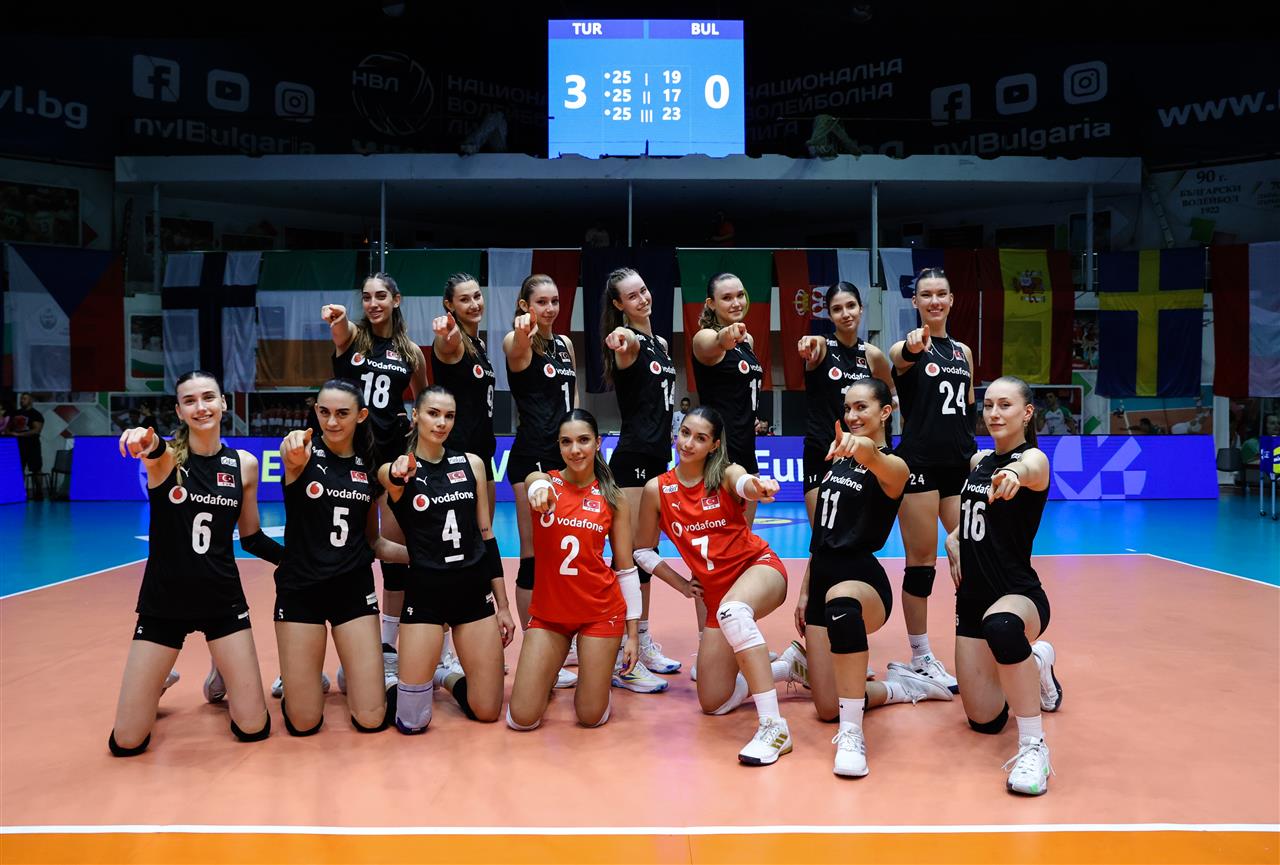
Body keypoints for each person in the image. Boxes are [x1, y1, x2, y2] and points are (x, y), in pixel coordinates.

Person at [109, 371, 276, 755]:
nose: (201, 407)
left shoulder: (244, 465)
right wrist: (142, 436)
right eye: (190, 401)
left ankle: (222, 665)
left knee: (253, 727)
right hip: (164, 601)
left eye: (208, 397)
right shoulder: (167, 460)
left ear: (223, 403)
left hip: (222, 600)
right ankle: (159, 677)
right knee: (127, 742)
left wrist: (293, 561)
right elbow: (152, 446)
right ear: (179, 411)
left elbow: (251, 537)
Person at [793, 379, 952, 778]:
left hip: (861, 581)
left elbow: (876, 459)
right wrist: (806, 589)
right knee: (826, 707)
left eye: (861, 407)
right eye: (847, 408)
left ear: (885, 412)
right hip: (823, 575)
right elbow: (822, 534)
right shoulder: (838, 459)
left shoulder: (894, 467)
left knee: (842, 606)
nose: (851, 415)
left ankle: (852, 735)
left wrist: (859, 446)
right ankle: (903, 687)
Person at [633, 406, 807, 766]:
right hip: (717, 598)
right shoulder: (657, 489)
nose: (688, 443)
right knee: (714, 702)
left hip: (759, 569)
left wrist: (757, 487)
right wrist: (682, 585)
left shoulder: (725, 474)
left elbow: (744, 482)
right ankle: (787, 667)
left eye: (700, 438)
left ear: (714, 445)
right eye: (685, 433)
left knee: (735, 611)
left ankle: (774, 728)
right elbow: (641, 551)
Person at [945, 376, 1063, 795]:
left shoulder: (1034, 460)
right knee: (985, 721)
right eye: (989, 405)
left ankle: (1034, 747)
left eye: (1005, 405)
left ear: (1027, 413)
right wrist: (953, 537)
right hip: (971, 599)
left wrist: (1013, 472)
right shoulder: (979, 462)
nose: (994, 413)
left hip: (1017, 593)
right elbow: (974, 516)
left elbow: (1028, 470)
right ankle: (1036, 662)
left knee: (1003, 628)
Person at [273, 379, 410, 736]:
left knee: (371, 719)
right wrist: (292, 445)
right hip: (301, 590)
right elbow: (291, 451)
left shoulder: (367, 468)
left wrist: (421, 556)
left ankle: (355, 672)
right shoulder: (302, 454)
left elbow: (373, 543)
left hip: (352, 590)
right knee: (304, 723)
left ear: (361, 416)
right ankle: (301, 678)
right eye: (324, 412)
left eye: (342, 413)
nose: (331, 422)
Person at [381, 387, 514, 733]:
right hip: (425, 597)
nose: (441, 423)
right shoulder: (401, 470)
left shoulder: (471, 464)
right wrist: (396, 470)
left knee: (488, 710)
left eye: (449, 416)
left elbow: (487, 537)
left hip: (472, 593)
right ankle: (385, 682)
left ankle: (444, 676)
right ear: (415, 416)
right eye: (433, 413)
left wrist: (503, 606)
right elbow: (388, 476)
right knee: (412, 722)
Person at [323, 273, 429, 686]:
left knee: (392, 551)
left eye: (381, 296)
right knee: (340, 549)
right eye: (366, 297)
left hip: (389, 459)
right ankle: (317, 651)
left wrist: (413, 422)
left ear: (396, 300)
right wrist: (336, 317)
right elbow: (339, 328)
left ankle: (386, 645)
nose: (373, 303)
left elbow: (424, 397)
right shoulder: (353, 337)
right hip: (347, 457)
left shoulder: (411, 352)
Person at [507, 410, 640, 730]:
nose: (575, 449)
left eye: (583, 440)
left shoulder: (613, 497)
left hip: (600, 611)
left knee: (590, 716)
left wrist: (634, 635)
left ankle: (598, 680)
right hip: (550, 614)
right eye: (566, 442)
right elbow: (534, 481)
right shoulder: (545, 483)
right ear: (558, 445)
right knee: (521, 718)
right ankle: (549, 674)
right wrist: (538, 489)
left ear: (598, 442)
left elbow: (625, 568)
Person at [888, 267, 975, 693]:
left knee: (972, 556)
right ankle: (920, 657)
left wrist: (975, 458)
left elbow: (968, 410)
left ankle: (979, 642)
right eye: (927, 295)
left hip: (957, 467)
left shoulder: (964, 352)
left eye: (942, 293)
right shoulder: (907, 347)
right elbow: (900, 357)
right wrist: (911, 346)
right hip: (919, 465)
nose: (935, 301)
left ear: (951, 299)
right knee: (921, 564)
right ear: (916, 302)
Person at [600, 267, 682, 688]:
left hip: (657, 459)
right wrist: (620, 336)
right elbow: (623, 341)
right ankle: (622, 658)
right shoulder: (628, 342)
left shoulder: (662, 344)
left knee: (645, 555)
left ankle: (642, 641)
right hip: (631, 460)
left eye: (644, 290)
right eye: (632, 296)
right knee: (628, 560)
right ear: (619, 304)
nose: (643, 298)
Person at [503, 274, 579, 689]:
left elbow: (574, 398)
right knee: (533, 555)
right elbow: (515, 350)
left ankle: (562, 637)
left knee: (563, 552)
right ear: (524, 305)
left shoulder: (564, 344)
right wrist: (522, 331)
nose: (549, 309)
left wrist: (582, 444)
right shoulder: (518, 341)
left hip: (566, 459)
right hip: (531, 458)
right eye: (541, 302)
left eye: (554, 301)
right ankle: (535, 648)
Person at [797, 281, 894, 527]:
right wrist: (808, 343)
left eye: (851, 306)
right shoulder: (821, 346)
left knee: (856, 535)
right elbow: (812, 344)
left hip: (860, 456)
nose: (846, 313)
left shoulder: (872, 355)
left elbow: (890, 397)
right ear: (829, 315)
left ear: (861, 308)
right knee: (822, 536)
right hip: (822, 452)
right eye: (837, 309)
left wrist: (882, 441)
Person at [691, 273, 765, 528]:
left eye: (740, 295)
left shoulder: (748, 341)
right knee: (717, 539)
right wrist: (726, 335)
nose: (736, 303)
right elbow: (717, 342)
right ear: (711, 304)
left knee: (743, 537)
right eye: (727, 298)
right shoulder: (704, 337)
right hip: (719, 455)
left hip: (746, 449)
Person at [430, 273, 498, 521]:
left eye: (477, 296)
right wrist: (446, 332)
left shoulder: (479, 345)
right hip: (457, 454)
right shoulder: (454, 342)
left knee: (485, 534)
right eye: (464, 299)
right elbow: (448, 341)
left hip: (484, 453)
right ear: (449, 305)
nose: (474, 304)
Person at [10, 393, 45, 499]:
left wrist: (19, 434)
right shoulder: (16, 413)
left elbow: (36, 430)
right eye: (21, 399)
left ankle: (39, 492)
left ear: (30, 400)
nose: (22, 400)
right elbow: (9, 426)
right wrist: (9, 432)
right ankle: (19, 492)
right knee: (18, 469)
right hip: (18, 446)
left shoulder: (36, 414)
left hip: (32, 446)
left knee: (36, 469)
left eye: (24, 399)